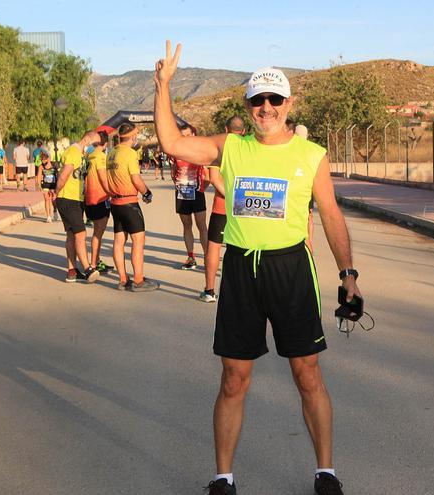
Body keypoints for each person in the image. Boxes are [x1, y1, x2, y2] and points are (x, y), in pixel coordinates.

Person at [155, 42, 360, 495]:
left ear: (289, 104)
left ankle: (325, 472)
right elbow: (171, 142)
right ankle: (222, 478)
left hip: (290, 269)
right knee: (234, 378)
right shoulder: (231, 147)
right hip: (242, 270)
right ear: (247, 106)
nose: (265, 108)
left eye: (274, 100)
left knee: (308, 373)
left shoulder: (311, 155)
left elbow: (330, 215)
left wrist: (348, 273)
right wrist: (164, 86)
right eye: (257, 100)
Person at [100, 123, 159, 291]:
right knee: (138, 241)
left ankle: (123, 279)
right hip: (129, 202)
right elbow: (135, 179)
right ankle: (138, 280)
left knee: (119, 241)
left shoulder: (111, 153)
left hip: (115, 203)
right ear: (133, 137)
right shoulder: (130, 154)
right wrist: (146, 193)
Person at [200, 116, 245, 303]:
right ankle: (243, 291)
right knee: (243, 249)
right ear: (243, 131)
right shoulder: (249, 148)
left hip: (222, 207)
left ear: (226, 130)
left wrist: (230, 195)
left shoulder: (218, 149)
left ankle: (209, 291)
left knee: (214, 247)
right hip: (244, 207)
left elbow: (215, 179)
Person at [55, 131, 101, 284]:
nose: (95, 147)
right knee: (81, 235)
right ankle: (87, 269)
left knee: (71, 235)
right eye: (94, 144)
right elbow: (63, 175)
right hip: (68, 199)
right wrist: (56, 193)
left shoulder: (80, 154)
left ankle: (72, 272)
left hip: (75, 199)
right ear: (86, 139)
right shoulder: (73, 152)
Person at [171, 124, 209, 270]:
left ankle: (207, 256)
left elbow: (209, 176)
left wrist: (200, 190)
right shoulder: (176, 152)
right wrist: (178, 185)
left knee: (201, 226)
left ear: (194, 134)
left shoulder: (200, 152)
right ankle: (191, 257)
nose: (186, 138)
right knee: (187, 225)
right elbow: (174, 172)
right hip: (182, 193)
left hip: (197, 193)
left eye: (188, 135)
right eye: (183, 135)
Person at [85, 132, 113, 274]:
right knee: (98, 233)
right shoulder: (101, 157)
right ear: (105, 143)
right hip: (99, 198)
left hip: (88, 197)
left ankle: (96, 260)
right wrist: (112, 193)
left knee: (97, 232)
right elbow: (103, 179)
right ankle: (94, 263)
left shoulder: (88, 156)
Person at [292, 123, 315, 253]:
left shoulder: (292, 148)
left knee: (301, 214)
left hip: (298, 186)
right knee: (309, 215)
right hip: (308, 185)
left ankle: (304, 240)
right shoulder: (310, 149)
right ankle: (308, 241)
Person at [36, 149, 58, 222]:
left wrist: (57, 187)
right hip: (45, 185)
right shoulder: (41, 167)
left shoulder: (54, 165)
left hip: (53, 185)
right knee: (46, 198)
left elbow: (58, 176)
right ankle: (48, 216)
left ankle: (55, 209)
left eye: (44, 160)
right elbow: (39, 177)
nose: (42, 161)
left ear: (48, 158)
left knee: (53, 200)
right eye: (41, 160)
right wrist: (39, 186)